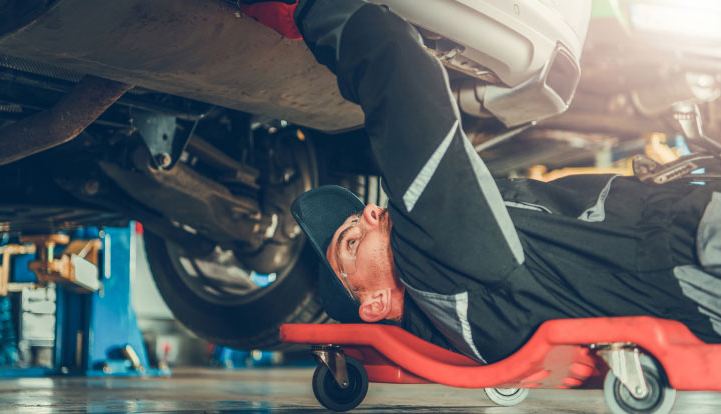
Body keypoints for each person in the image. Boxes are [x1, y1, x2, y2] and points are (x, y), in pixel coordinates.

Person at [244, 0, 721, 363]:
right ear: (374, 304)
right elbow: (400, 75)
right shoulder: (442, 275)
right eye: (351, 241)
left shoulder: (461, 304)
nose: (369, 213)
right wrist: (310, 10)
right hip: (700, 245)